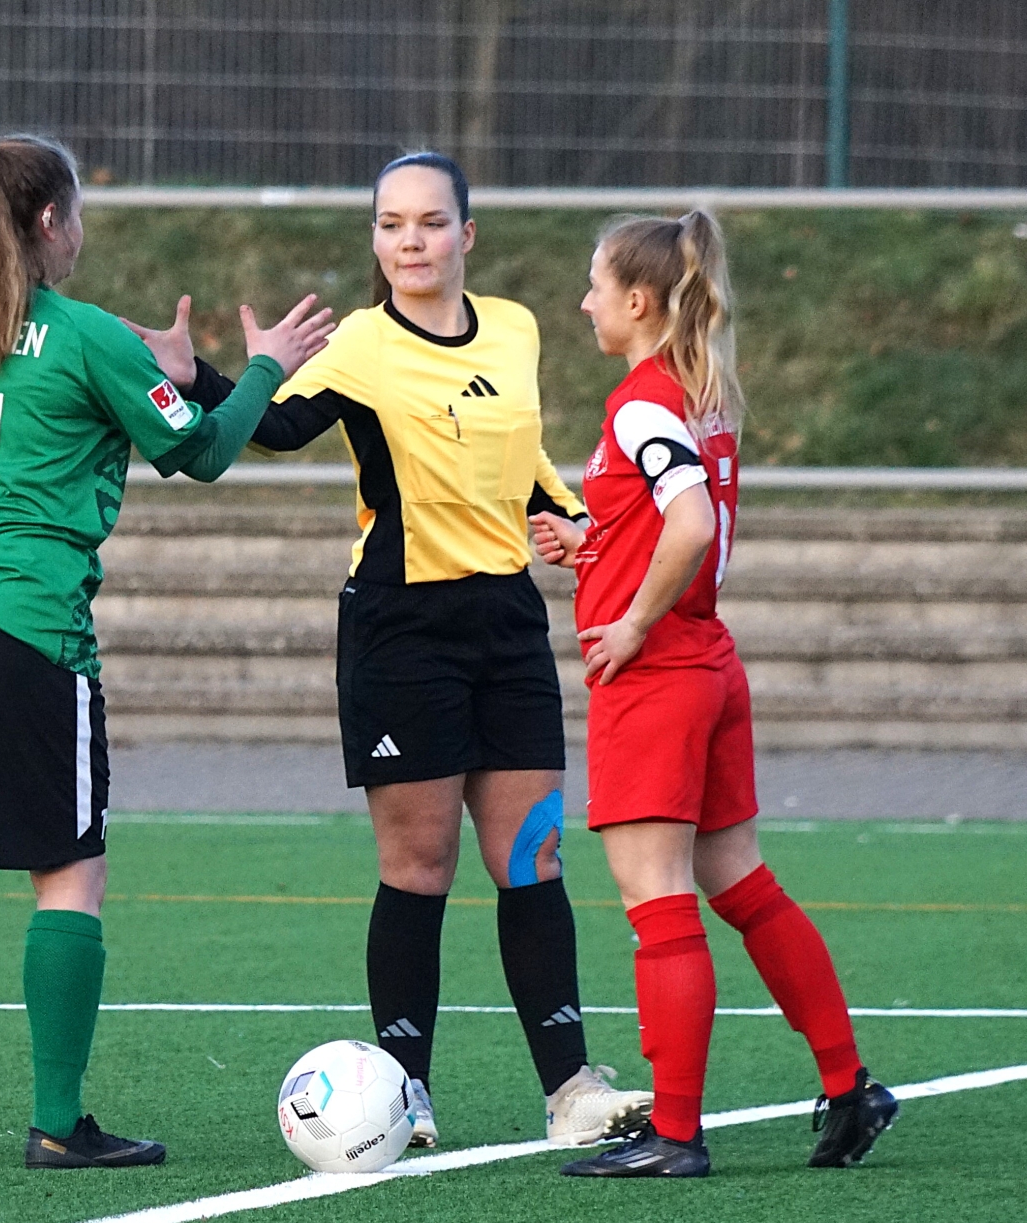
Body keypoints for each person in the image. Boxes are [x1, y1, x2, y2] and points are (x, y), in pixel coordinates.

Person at [0, 135, 332, 1169]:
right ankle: (57, 1123)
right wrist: (266, 367)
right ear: (48, 223)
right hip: (25, 625)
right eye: (76, 216)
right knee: (71, 871)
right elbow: (205, 451)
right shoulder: (85, 336)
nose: (80, 234)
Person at [124, 153, 650, 1148]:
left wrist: (573, 516)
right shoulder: (362, 342)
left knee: (533, 856)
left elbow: (524, 453)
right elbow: (279, 428)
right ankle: (404, 1092)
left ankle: (572, 1089)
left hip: (507, 623)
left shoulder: (516, 327)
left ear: (467, 234)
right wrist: (197, 379)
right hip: (400, 629)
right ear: (377, 237)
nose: (411, 240)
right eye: (392, 223)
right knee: (420, 864)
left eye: (431, 222)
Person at [529, 211, 897, 1178]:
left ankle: (676, 1133)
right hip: (708, 662)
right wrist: (593, 545)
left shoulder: (643, 402)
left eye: (596, 286)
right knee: (742, 884)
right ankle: (850, 1086)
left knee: (659, 902)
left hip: (658, 676)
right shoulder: (701, 395)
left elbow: (689, 526)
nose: (585, 303)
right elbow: (667, 522)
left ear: (639, 300)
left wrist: (633, 622)